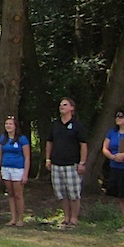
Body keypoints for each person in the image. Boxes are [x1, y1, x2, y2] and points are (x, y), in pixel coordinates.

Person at [45, 97, 88, 229]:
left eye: (65, 105)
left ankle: (74, 218)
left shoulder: (77, 125)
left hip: (72, 164)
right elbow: (49, 142)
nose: (61, 107)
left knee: (73, 193)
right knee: (61, 193)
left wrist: (82, 162)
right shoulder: (55, 124)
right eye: (60, 105)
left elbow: (83, 145)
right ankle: (66, 217)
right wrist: (48, 159)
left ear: (72, 108)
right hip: (56, 164)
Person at [0, 115, 30, 226]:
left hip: (18, 169)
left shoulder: (22, 139)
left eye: (10, 124)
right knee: (10, 193)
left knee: (18, 194)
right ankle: (13, 218)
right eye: (6, 124)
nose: (8, 126)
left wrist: (25, 174)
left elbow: (27, 157)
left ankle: (20, 219)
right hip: (6, 168)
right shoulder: (3, 138)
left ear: (15, 126)